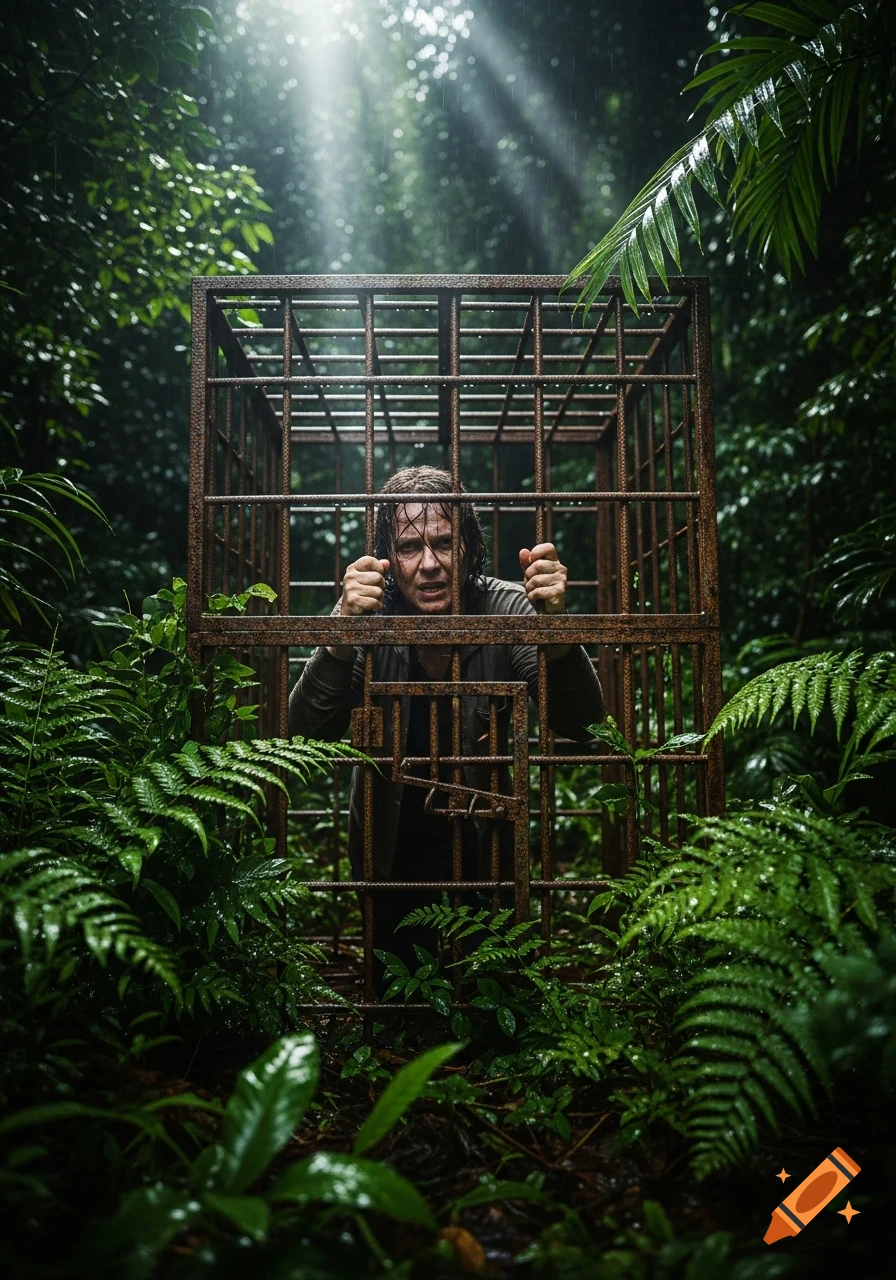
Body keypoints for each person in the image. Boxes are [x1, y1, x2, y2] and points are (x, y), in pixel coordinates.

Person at [289, 466, 603, 989]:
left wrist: (557, 630)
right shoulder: (365, 615)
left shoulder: (507, 608)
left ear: (469, 546)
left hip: (486, 847)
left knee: (495, 1002)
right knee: (394, 1003)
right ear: (387, 557)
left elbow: (582, 724)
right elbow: (304, 734)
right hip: (389, 849)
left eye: (442, 542)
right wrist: (340, 635)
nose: (430, 564)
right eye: (410, 547)